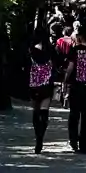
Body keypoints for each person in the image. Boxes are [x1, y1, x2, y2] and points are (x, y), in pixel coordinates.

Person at [65, 26, 86, 153]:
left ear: (79, 37)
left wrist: (66, 79)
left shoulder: (75, 50)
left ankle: (73, 141)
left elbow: (70, 67)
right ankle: (85, 144)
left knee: (74, 115)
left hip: (76, 86)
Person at [27, 23, 54, 155]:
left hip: (34, 83)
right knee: (44, 111)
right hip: (47, 84)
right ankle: (41, 137)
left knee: (35, 110)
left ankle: (37, 134)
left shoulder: (31, 50)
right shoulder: (50, 49)